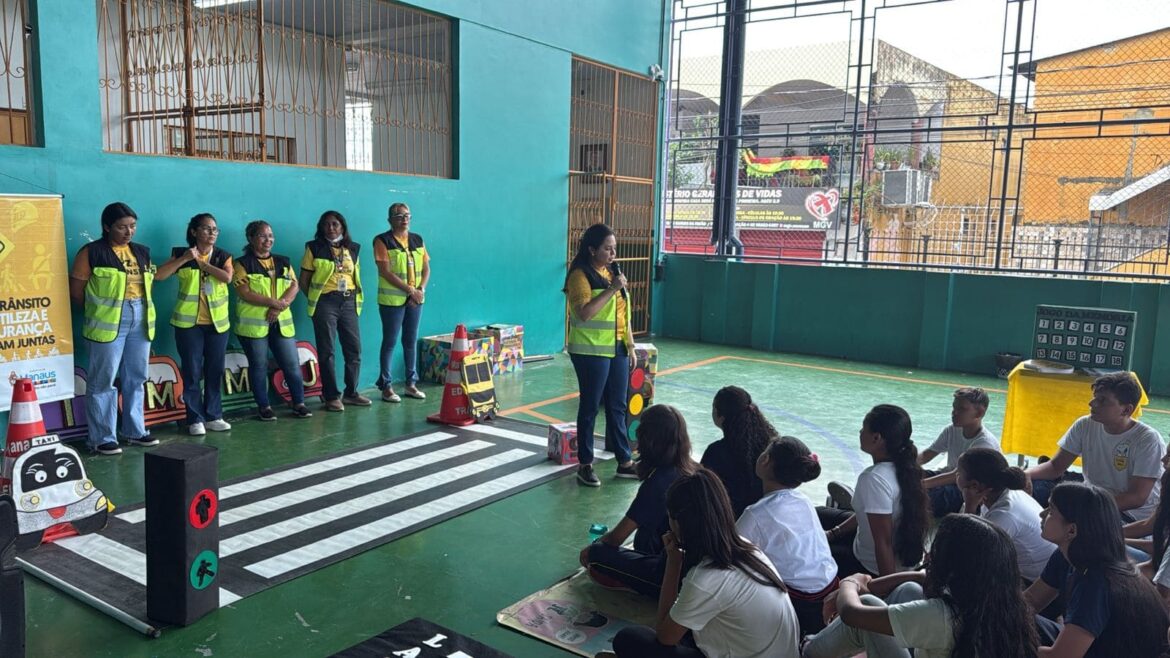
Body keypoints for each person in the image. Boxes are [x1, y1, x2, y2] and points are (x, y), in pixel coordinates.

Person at [604, 469, 800, 658]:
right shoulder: (748, 549)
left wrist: (673, 563)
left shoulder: (707, 577)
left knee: (630, 639)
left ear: (678, 522)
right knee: (687, 624)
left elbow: (664, 636)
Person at [803, 514, 1038, 658]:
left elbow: (852, 614)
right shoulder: (1004, 605)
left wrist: (850, 582)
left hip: (863, 614)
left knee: (866, 604)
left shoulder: (941, 617)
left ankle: (808, 651)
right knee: (909, 590)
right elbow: (921, 579)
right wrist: (913, 577)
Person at [1025, 482, 1169, 656]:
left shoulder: (1097, 582)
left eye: (1051, 510)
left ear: (1072, 530)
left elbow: (1062, 656)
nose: (1042, 514)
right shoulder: (1065, 556)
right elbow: (1030, 602)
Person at [69, 202, 160, 455]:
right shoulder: (92, 252)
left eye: (132, 226)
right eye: (122, 227)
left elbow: (147, 285)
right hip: (107, 323)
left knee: (137, 377)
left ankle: (135, 431)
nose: (128, 232)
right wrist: (99, 312)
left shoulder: (141, 252)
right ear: (107, 227)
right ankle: (101, 438)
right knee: (103, 380)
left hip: (140, 319)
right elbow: (76, 292)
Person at [581, 404, 697, 598]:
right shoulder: (695, 468)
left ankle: (634, 582)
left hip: (674, 574)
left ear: (647, 441)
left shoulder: (658, 483)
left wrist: (591, 549)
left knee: (597, 555)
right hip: (699, 569)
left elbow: (617, 537)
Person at [1025, 371, 1164, 521]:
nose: (1092, 403)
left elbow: (1136, 497)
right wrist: (1025, 474)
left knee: (1069, 521)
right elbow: (1055, 466)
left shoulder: (1147, 440)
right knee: (1028, 487)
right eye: (1095, 397)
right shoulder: (1085, 424)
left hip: (1127, 513)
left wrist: (1082, 509)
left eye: (1102, 400)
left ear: (1126, 410)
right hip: (1091, 496)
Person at [737, 435, 837, 634]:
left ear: (765, 460)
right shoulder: (803, 500)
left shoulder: (755, 514)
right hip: (831, 587)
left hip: (799, 602)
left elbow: (728, 552)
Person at [563, 223, 637, 486]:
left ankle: (625, 461)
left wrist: (630, 345)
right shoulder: (579, 276)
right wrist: (612, 289)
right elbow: (584, 313)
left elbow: (622, 313)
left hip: (616, 348)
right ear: (592, 250)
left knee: (618, 406)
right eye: (607, 249)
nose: (613, 254)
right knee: (590, 406)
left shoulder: (611, 273)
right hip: (590, 350)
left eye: (614, 248)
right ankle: (585, 464)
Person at [820, 404, 928, 577]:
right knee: (820, 514)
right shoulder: (907, 467)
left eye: (864, 429)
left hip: (870, 567)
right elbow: (869, 515)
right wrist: (834, 533)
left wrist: (888, 587)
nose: (860, 432)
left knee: (814, 550)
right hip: (900, 558)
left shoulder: (873, 479)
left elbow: (883, 542)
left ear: (876, 438)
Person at [154, 213, 234, 436]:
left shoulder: (223, 256)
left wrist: (202, 264)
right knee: (192, 370)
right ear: (194, 232)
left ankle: (214, 415)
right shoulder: (181, 253)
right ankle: (195, 418)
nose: (212, 233)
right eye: (207, 229)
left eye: (215, 229)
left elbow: (227, 278)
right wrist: (184, 259)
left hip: (217, 324)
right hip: (188, 324)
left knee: (214, 369)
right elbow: (159, 276)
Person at [233, 220, 313, 421]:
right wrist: (272, 303)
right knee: (259, 365)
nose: (268, 240)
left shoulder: (283, 261)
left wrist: (278, 307)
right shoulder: (241, 264)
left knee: (291, 364)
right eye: (262, 235)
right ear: (251, 238)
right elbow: (244, 292)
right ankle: (264, 406)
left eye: (270, 235)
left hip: (281, 322)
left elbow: (294, 286)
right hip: (254, 327)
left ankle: (299, 403)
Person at [300, 210, 370, 412]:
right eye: (326, 224)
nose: (331, 228)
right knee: (327, 351)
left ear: (343, 227)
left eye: (335, 224)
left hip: (349, 302)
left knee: (354, 349)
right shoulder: (314, 248)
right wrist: (317, 299)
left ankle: (351, 393)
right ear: (321, 228)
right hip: (325, 303)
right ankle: (331, 396)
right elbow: (304, 280)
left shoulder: (353, 248)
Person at [956, 447, 1055, 582]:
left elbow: (968, 553)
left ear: (974, 485)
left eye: (958, 473)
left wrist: (969, 507)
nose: (956, 476)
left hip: (1033, 580)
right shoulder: (1004, 492)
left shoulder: (1003, 515)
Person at [373, 202, 429, 403]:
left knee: (410, 341)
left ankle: (411, 384)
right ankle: (386, 387)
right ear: (390, 220)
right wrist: (410, 291)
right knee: (390, 342)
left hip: (415, 300)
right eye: (399, 216)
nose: (404, 219)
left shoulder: (417, 239)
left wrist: (420, 290)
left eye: (407, 215)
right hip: (392, 301)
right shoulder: (382, 240)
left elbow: (426, 268)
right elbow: (385, 272)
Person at [918, 387, 999, 517]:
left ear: (979, 413)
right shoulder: (952, 430)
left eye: (961, 409)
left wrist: (922, 484)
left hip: (964, 489)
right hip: (947, 477)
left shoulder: (984, 443)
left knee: (921, 497)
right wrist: (903, 464)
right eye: (954, 407)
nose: (954, 412)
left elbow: (955, 475)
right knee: (909, 475)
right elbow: (927, 455)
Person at [701, 386, 771, 517]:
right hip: (764, 516)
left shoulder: (715, 453)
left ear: (720, 416)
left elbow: (703, 491)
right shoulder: (769, 446)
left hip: (727, 521)